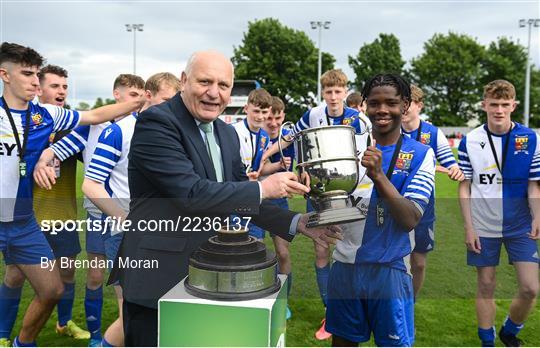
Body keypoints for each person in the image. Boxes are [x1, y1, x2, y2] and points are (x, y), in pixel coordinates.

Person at [112, 50, 342, 347]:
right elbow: (191, 194)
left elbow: (237, 197)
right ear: (184, 81)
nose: (213, 93)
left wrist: (298, 222)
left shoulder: (225, 133)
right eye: (205, 81)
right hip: (157, 280)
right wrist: (263, 187)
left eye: (223, 85)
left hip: (206, 275)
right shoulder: (157, 122)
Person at [0, 42, 142, 347]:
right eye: (27, 73)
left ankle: (22, 343)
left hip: (23, 223)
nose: (34, 81)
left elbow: (94, 115)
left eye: (37, 74)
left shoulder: (48, 115)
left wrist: (136, 103)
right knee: (14, 278)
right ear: (5, 75)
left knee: (53, 289)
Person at [35, 73, 145, 347]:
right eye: (133, 96)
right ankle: (97, 337)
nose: (137, 102)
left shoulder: (142, 127)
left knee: (134, 277)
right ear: (117, 95)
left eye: (141, 96)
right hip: (99, 214)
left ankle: (123, 332)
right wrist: (45, 159)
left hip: (135, 215)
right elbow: (60, 148)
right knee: (96, 275)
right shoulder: (95, 125)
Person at [326, 73, 436, 347]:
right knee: (342, 343)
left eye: (391, 103)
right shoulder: (346, 146)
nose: (382, 110)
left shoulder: (421, 154)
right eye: (374, 103)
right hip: (345, 268)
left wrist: (378, 176)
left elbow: (410, 218)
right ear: (364, 105)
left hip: (390, 270)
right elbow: (333, 205)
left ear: (406, 105)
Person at [261, 69, 365, 340]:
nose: (333, 97)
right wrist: (265, 155)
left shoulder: (357, 119)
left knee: (349, 253)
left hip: (350, 192)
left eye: (338, 91)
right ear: (323, 93)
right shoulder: (312, 115)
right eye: (328, 92)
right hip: (317, 191)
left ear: (345, 91)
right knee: (321, 251)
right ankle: (330, 313)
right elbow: (289, 138)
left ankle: (347, 309)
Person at [0, 64, 91, 347]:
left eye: (65, 86)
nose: (61, 91)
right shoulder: (24, 123)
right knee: (15, 275)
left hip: (62, 214)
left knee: (66, 271)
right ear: (39, 89)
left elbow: (91, 160)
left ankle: (64, 323)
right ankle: (3, 334)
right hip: (28, 217)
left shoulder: (72, 129)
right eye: (55, 86)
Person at [457, 79, 540, 347]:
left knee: (530, 288)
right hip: (483, 225)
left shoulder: (530, 138)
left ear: (514, 105)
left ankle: (510, 330)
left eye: (505, 104)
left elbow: (533, 184)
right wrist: (469, 227)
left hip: (520, 224)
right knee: (486, 285)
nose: (500, 110)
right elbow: (464, 186)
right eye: (494, 104)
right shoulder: (470, 140)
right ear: (484, 105)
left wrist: (538, 216)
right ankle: (487, 342)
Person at [401, 84, 465, 297]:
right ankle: (390, 304)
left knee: (418, 263)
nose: (403, 107)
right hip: (393, 203)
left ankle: (410, 303)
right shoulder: (387, 129)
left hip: (423, 207)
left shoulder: (432, 133)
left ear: (419, 106)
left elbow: (449, 160)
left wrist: (454, 168)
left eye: (408, 103)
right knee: (393, 260)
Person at [261, 96, 295, 319]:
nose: (273, 122)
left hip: (280, 201)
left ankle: (283, 302)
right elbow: (256, 171)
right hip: (257, 199)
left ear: (283, 116)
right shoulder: (259, 138)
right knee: (255, 253)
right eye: (270, 117)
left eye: (278, 117)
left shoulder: (289, 138)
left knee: (282, 252)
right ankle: (259, 298)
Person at [232, 88, 272, 239]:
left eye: (264, 112)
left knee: (257, 243)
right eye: (256, 111)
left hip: (252, 198)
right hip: (233, 197)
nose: (260, 116)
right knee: (235, 245)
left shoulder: (264, 137)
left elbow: (259, 164)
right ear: (246, 109)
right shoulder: (232, 131)